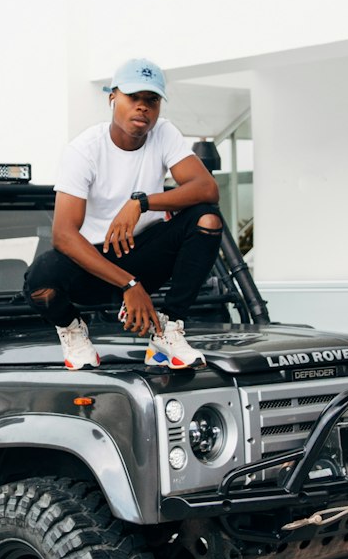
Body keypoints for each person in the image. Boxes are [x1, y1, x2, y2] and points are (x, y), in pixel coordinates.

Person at [24, 58, 223, 370]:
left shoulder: (165, 134)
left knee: (207, 218)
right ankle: (74, 332)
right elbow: (63, 235)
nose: (142, 108)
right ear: (112, 98)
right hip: (93, 265)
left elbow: (207, 189)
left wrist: (141, 203)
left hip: (145, 254)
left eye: (152, 100)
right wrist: (130, 285)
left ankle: (167, 329)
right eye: (134, 98)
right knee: (40, 279)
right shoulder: (84, 150)